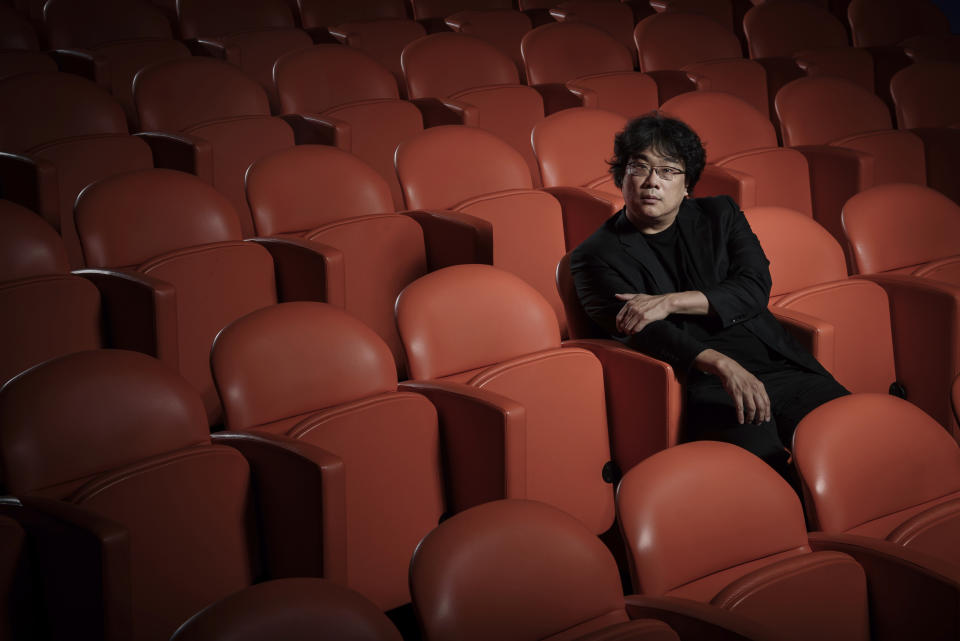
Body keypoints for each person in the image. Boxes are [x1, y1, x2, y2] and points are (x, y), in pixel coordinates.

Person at [570, 113, 848, 476]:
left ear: (686, 186)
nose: (653, 181)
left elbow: (753, 288)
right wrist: (721, 364)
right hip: (701, 380)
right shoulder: (594, 256)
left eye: (669, 171)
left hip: (774, 364)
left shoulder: (721, 214)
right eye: (640, 167)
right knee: (766, 469)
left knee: (850, 434)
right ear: (622, 177)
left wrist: (669, 301)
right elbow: (642, 330)